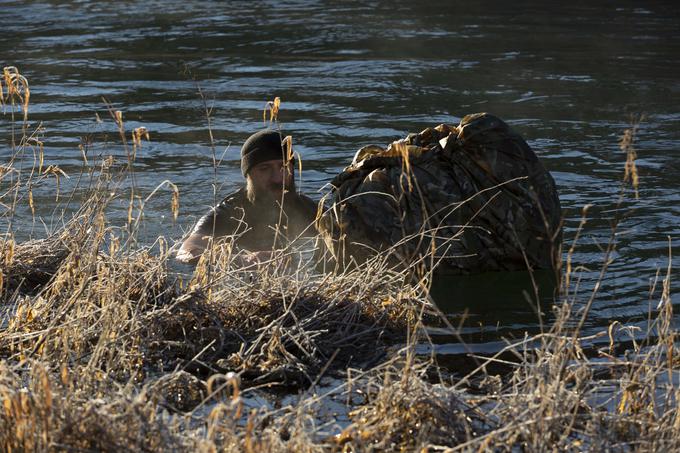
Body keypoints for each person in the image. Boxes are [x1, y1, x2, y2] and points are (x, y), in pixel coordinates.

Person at [176, 129, 317, 264]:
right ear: (248, 176)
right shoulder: (229, 212)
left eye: (284, 166)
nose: (277, 179)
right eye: (264, 169)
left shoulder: (309, 210)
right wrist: (243, 260)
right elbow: (186, 253)